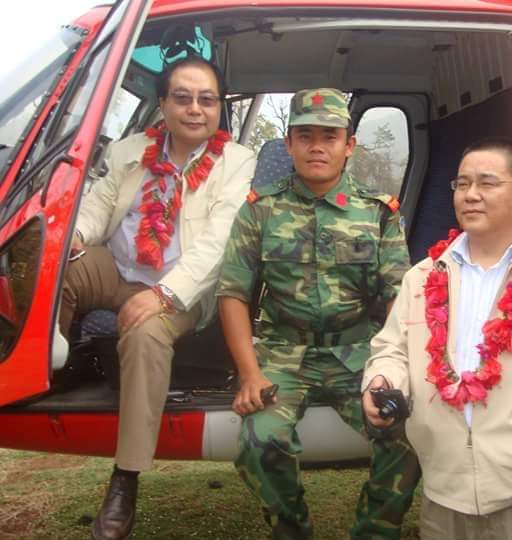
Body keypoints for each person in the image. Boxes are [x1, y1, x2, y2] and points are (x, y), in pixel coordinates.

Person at [362, 138, 512, 539]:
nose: (471, 194)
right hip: (443, 496)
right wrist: (382, 380)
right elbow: (392, 349)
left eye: (487, 183)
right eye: (462, 184)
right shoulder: (422, 278)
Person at [61, 56, 256, 540]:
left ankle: (125, 478)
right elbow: (98, 207)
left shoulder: (237, 162)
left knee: (145, 330)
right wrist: (76, 236)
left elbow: (219, 244)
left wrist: (164, 294)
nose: (195, 109)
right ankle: (49, 376)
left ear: (219, 108)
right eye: (183, 98)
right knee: (58, 267)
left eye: (207, 100)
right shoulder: (129, 151)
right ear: (164, 104)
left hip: (185, 288)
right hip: (117, 268)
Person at [216, 88, 420, 539]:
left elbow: (398, 296)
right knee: (260, 439)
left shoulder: (378, 213)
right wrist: (250, 374)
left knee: (408, 433)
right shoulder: (259, 210)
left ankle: (374, 532)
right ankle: (292, 530)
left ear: (349, 145)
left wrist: (396, 367)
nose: (317, 147)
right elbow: (232, 293)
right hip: (283, 353)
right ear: (288, 144)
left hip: (358, 352)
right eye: (305, 136)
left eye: (329, 137)